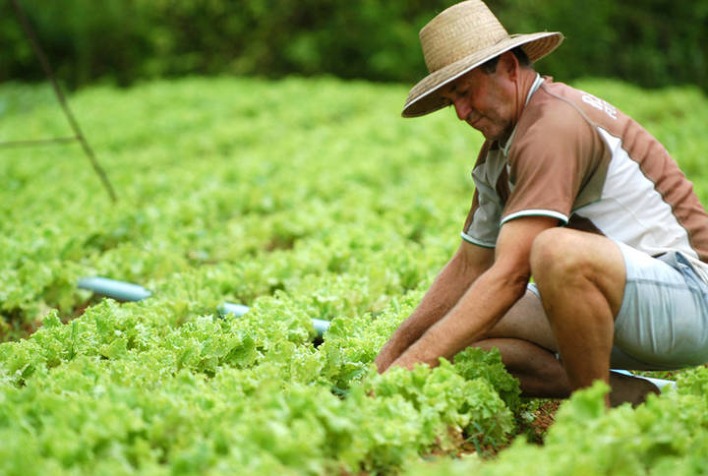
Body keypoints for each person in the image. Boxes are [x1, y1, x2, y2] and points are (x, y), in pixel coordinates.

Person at [374, 0, 708, 407]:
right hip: (620, 309)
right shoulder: (499, 151)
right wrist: (391, 359)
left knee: (554, 252)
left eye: (464, 92)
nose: (461, 113)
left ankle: (593, 419)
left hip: (690, 297)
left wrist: (414, 364)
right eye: (450, 101)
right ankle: (646, 397)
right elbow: (468, 266)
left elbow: (510, 277)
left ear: (509, 68)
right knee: (459, 327)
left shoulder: (554, 125)